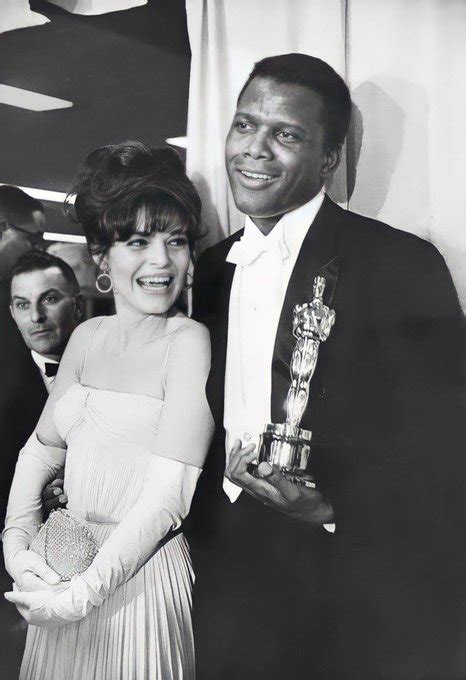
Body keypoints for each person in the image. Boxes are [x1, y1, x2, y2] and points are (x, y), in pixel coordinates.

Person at [190, 54, 465, 679]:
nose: (253, 150)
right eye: (243, 125)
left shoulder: (400, 265)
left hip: (345, 582)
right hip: (221, 568)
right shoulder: (206, 269)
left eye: (285, 135)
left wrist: (329, 510)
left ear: (329, 158)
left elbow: (446, 446)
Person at [3, 141, 214, 680]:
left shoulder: (188, 341)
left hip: (136, 586)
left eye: (177, 241)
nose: (162, 261)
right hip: (61, 565)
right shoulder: (87, 337)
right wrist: (17, 543)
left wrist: (82, 595)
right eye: (139, 241)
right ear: (102, 256)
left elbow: (167, 500)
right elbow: (38, 451)